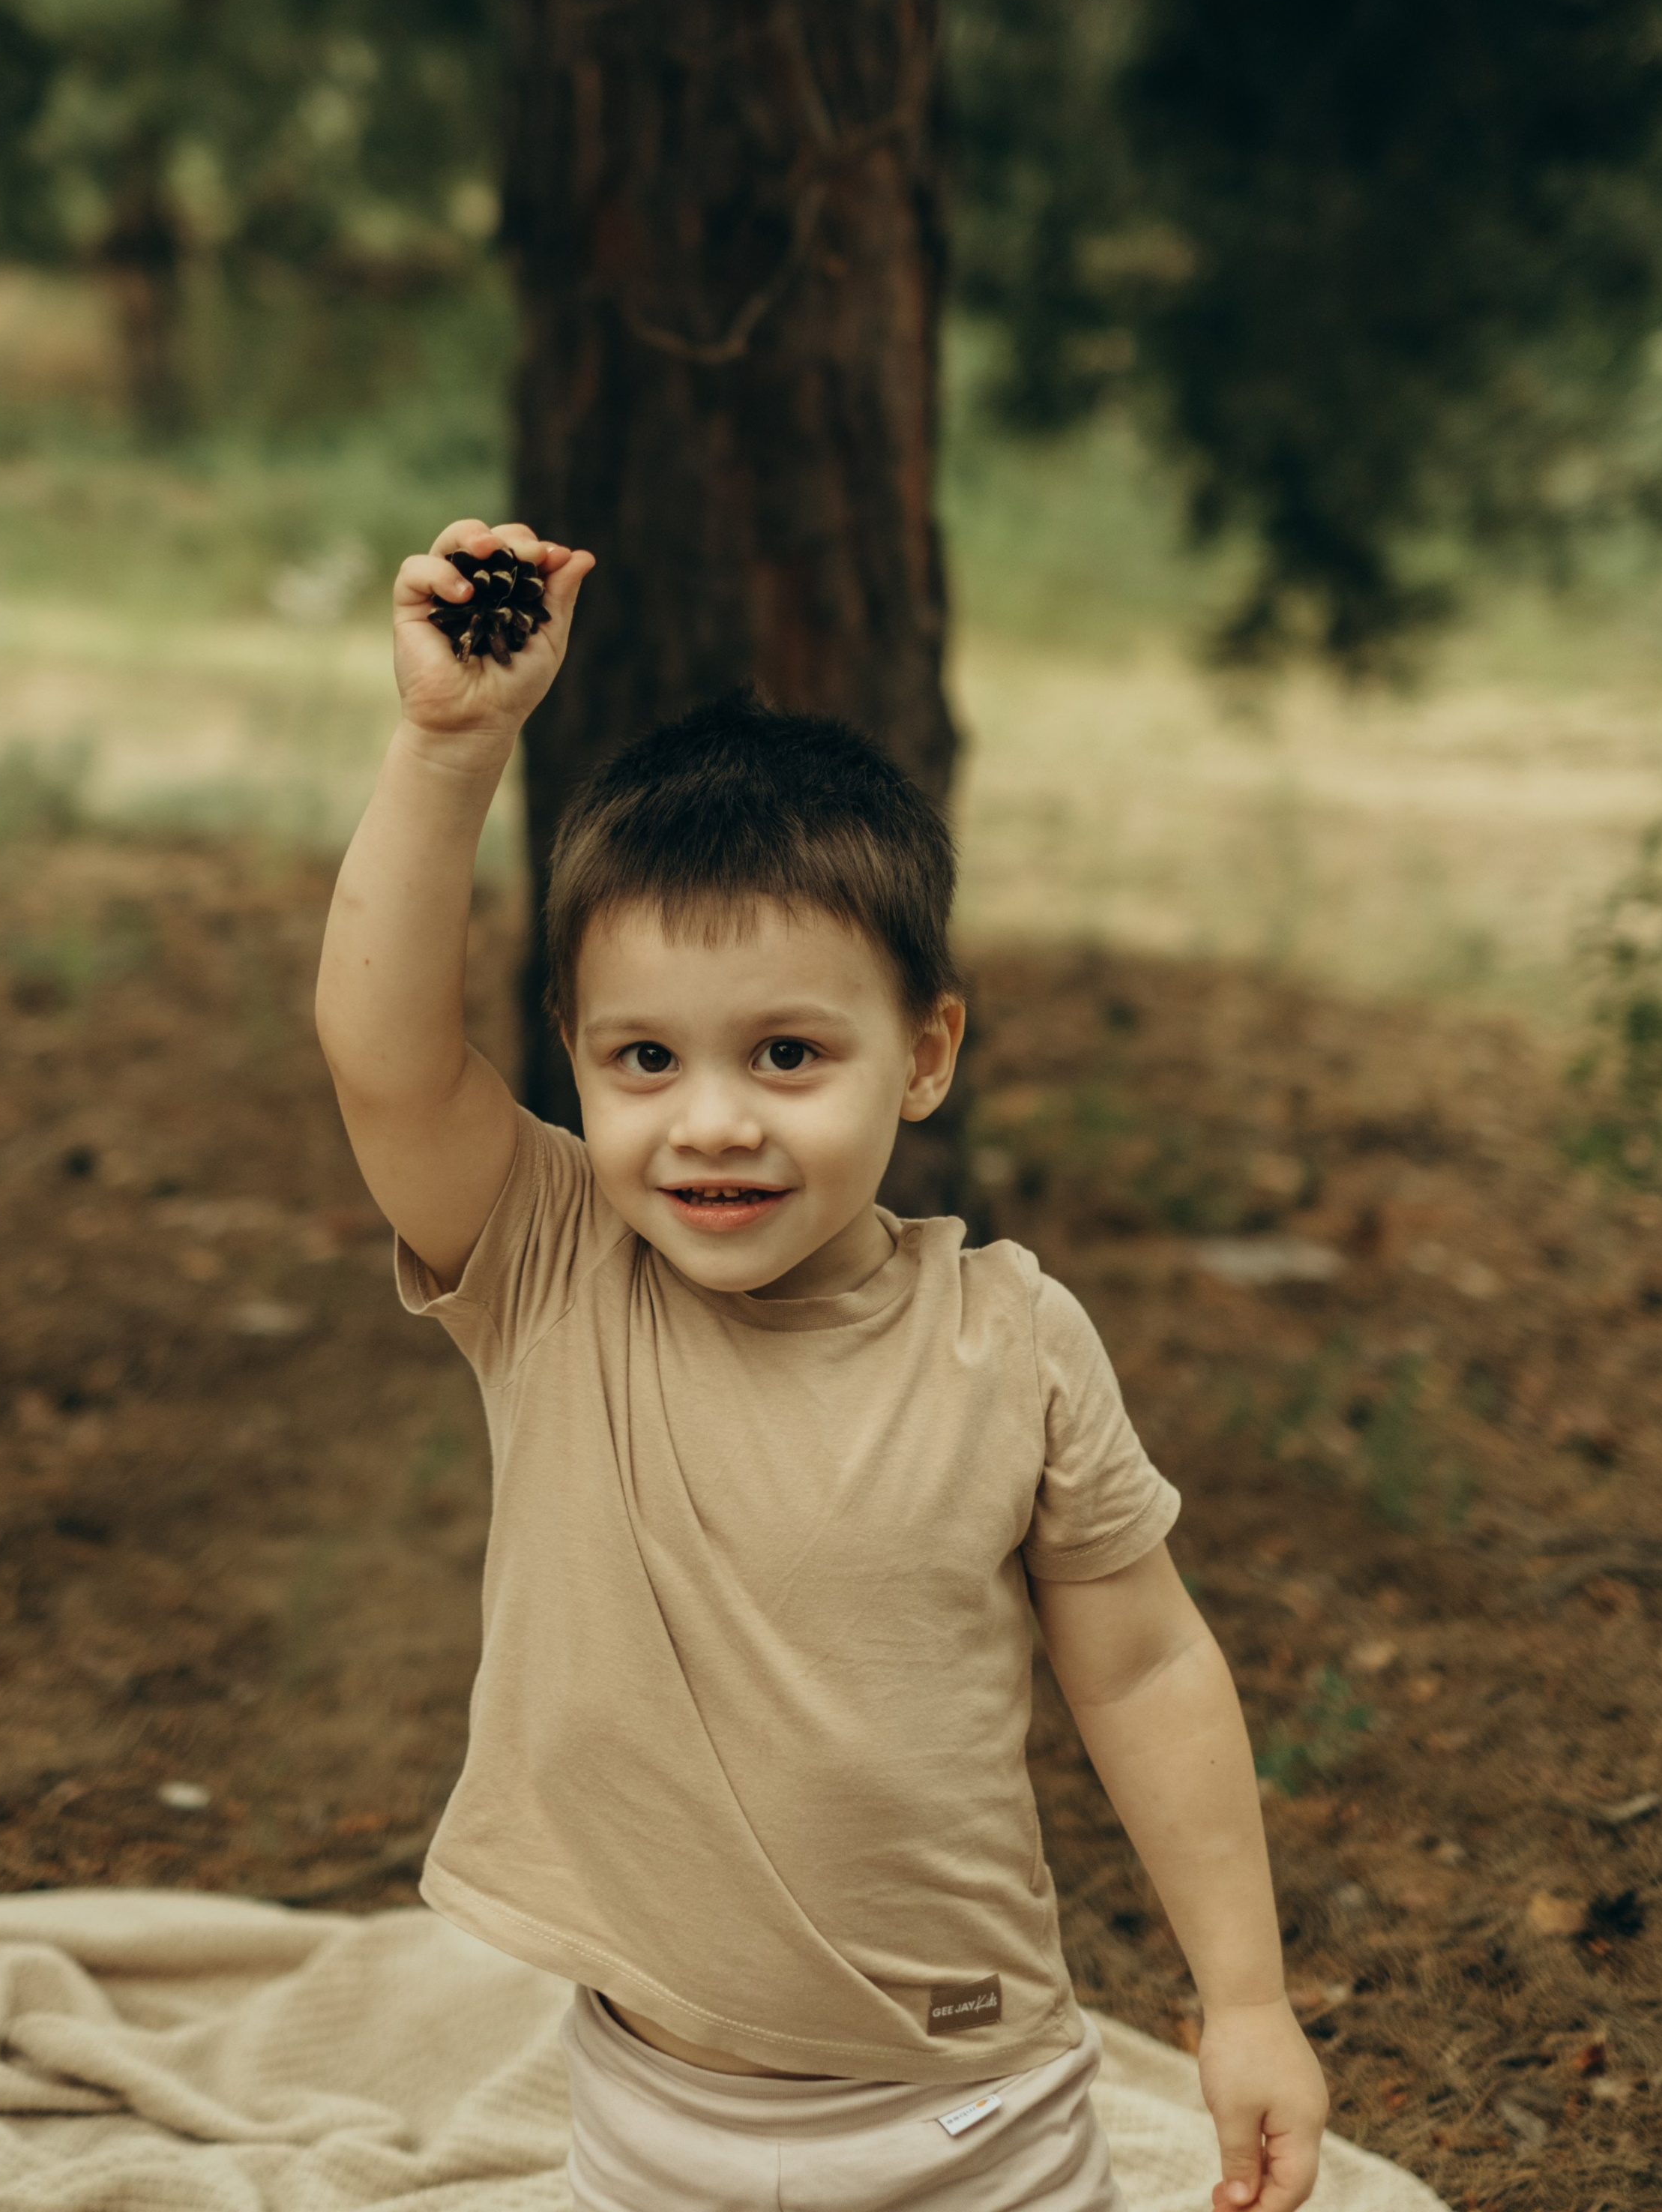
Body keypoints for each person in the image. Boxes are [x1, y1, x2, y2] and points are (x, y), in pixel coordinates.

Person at [316, 517, 1329, 2212]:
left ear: (922, 1053)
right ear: (571, 1058)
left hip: (968, 2119)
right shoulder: (551, 1263)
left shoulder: (1006, 1338)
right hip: (645, 2118)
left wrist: (1245, 2004)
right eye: (644, 1056)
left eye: (787, 1052)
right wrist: (446, 745)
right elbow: (381, 1053)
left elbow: (1146, 1671)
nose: (712, 1119)